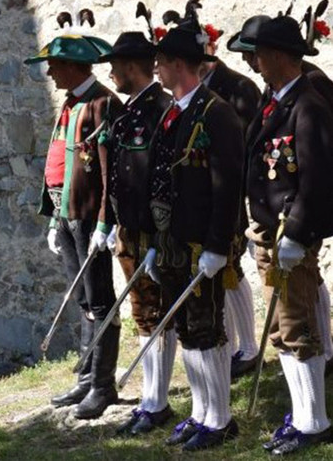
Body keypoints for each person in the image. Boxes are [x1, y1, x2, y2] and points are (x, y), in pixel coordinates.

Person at [148, 23, 243, 451]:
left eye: (162, 63)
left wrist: (218, 246)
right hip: (171, 240)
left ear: (180, 65)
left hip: (200, 243)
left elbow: (227, 184)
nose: (157, 70)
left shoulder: (215, 111)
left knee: (207, 328)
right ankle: (200, 412)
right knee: (185, 328)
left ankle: (219, 419)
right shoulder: (174, 109)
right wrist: (154, 242)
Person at [242, 16, 333, 455]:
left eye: (259, 53)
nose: (254, 60)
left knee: (297, 324)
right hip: (269, 231)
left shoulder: (307, 105)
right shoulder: (275, 102)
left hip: (288, 235)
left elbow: (316, 179)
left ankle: (314, 422)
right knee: (281, 325)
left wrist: (297, 234)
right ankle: (300, 414)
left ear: (279, 55)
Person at [25, 26, 122, 420]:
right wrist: (52, 218)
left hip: (87, 215)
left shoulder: (102, 104)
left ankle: (103, 384)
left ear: (73, 66)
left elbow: (108, 171)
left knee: (100, 300)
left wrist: (105, 223)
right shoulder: (70, 103)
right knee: (83, 299)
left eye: (54, 66)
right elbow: (60, 160)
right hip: (66, 213)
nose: (49, 73)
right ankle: (86, 376)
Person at [98, 31, 177, 435]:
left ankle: (157, 400)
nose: (111, 72)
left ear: (131, 66)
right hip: (129, 230)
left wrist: (157, 239)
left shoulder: (161, 110)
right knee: (142, 314)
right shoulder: (129, 112)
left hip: (152, 233)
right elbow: (119, 173)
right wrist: (112, 224)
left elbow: (162, 179)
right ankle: (151, 398)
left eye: (115, 65)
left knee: (156, 313)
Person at [201, 23, 262, 379]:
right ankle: (240, 344)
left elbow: (250, 145)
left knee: (240, 268)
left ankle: (252, 347)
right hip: (216, 193)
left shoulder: (238, 87)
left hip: (245, 192)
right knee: (228, 269)